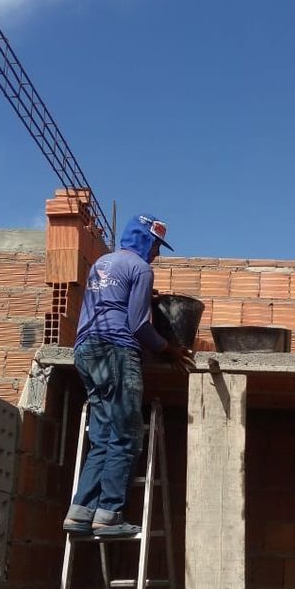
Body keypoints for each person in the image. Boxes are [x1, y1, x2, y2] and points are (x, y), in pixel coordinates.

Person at [63, 214, 192, 537]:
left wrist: (143, 296)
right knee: (126, 436)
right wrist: (170, 349)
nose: (157, 254)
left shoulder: (102, 264)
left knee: (104, 437)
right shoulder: (141, 268)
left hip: (85, 350)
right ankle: (108, 516)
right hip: (117, 351)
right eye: (156, 246)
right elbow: (137, 326)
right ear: (145, 239)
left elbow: (110, 304)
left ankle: (80, 512)